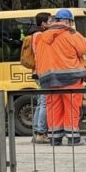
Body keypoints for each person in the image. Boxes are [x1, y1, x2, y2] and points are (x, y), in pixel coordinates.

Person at [35, 8, 86, 146]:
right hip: (70, 78)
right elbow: (85, 48)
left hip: (48, 80)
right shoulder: (71, 34)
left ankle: (55, 137)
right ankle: (73, 138)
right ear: (67, 21)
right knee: (72, 107)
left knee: (53, 108)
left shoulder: (42, 37)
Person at [21, 12, 51, 144]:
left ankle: (36, 132)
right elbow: (42, 54)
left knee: (40, 102)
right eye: (50, 21)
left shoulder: (34, 34)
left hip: (37, 72)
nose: (52, 24)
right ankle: (41, 133)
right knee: (44, 102)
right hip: (42, 72)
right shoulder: (40, 35)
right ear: (43, 24)